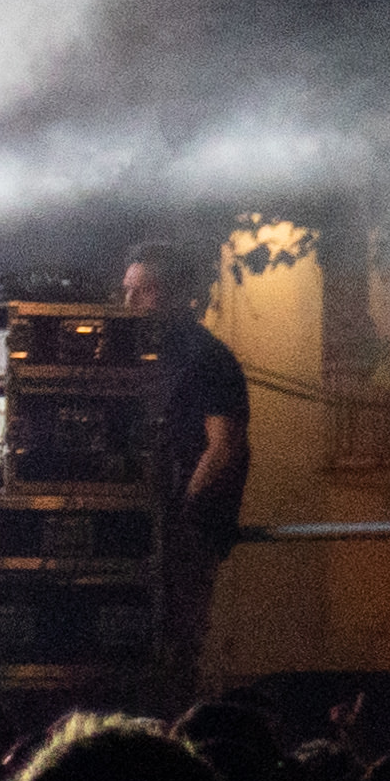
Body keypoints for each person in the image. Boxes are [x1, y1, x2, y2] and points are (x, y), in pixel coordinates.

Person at [115, 240, 248, 677]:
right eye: (126, 289)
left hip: (182, 532)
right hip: (142, 525)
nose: (129, 302)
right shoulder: (141, 354)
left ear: (172, 292)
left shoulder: (206, 358)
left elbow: (223, 446)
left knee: (174, 648)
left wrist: (183, 513)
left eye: (143, 290)